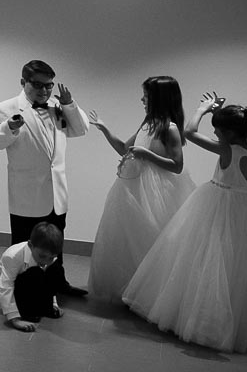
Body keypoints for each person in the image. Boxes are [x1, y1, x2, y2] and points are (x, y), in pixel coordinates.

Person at [122, 91, 247, 354]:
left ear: (230, 133)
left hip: (219, 204)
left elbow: (190, 132)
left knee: (208, 258)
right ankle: (237, 321)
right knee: (239, 264)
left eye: (218, 130)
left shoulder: (227, 149)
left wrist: (204, 109)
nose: (216, 134)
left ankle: (203, 320)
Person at [84, 76, 196, 302]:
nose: (142, 99)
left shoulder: (170, 128)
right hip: (133, 190)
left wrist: (148, 155)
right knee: (131, 241)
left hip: (158, 193)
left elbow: (177, 166)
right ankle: (133, 291)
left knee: (153, 240)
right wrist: (105, 129)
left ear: (159, 98)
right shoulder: (147, 123)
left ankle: (151, 295)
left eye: (146, 95)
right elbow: (125, 149)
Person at [0, 59, 90, 296]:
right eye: (38, 85)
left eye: (49, 86)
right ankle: (25, 291)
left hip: (56, 192)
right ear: (23, 82)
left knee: (55, 244)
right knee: (25, 247)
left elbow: (81, 129)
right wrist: (10, 127)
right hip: (27, 193)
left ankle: (57, 285)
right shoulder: (6, 108)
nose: (44, 91)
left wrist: (70, 104)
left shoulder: (58, 105)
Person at [0, 221, 64, 332]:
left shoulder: (50, 256)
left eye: (51, 257)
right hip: (19, 285)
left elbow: (51, 280)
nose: (46, 261)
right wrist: (14, 319)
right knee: (34, 273)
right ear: (30, 245)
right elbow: (6, 285)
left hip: (35, 282)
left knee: (56, 269)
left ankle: (46, 307)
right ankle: (27, 310)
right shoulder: (12, 256)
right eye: (42, 256)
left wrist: (53, 303)